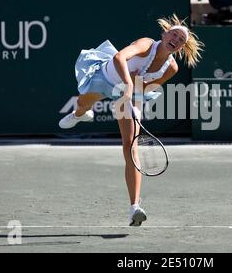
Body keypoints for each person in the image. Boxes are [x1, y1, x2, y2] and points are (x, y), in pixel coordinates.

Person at [59, 14, 204, 226]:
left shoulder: (171, 68)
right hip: (106, 77)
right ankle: (80, 115)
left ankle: (134, 207)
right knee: (82, 104)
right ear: (164, 34)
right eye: (173, 34)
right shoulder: (146, 44)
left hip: (127, 95)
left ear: (181, 48)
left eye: (181, 40)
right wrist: (128, 82)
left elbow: (147, 88)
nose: (176, 39)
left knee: (130, 147)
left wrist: (136, 88)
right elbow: (119, 58)